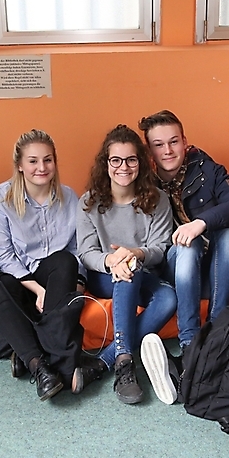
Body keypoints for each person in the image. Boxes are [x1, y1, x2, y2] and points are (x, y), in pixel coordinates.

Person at [137, 110, 229, 404]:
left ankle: (216, 331)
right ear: (149, 150)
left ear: (185, 141)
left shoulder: (208, 170)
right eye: (158, 144)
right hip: (176, 270)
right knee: (187, 246)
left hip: (216, 271)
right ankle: (190, 341)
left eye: (173, 141)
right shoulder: (143, 182)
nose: (168, 150)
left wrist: (201, 223)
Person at [0, 129, 93, 400]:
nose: (41, 167)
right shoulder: (0, 199)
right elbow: (3, 256)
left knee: (65, 260)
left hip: (55, 279)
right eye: (33, 161)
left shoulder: (69, 197)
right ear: (20, 165)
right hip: (19, 280)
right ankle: (40, 366)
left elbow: (77, 250)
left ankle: (36, 354)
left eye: (47, 160)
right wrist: (37, 290)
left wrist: (79, 284)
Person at [77, 124, 177, 404]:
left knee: (168, 298)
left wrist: (135, 253)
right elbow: (86, 252)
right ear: (106, 163)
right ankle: (124, 361)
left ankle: (104, 362)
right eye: (116, 160)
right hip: (104, 275)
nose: (124, 167)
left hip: (142, 270)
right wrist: (112, 260)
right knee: (127, 271)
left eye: (131, 159)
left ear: (140, 163)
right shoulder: (89, 202)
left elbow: (160, 247)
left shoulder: (157, 199)